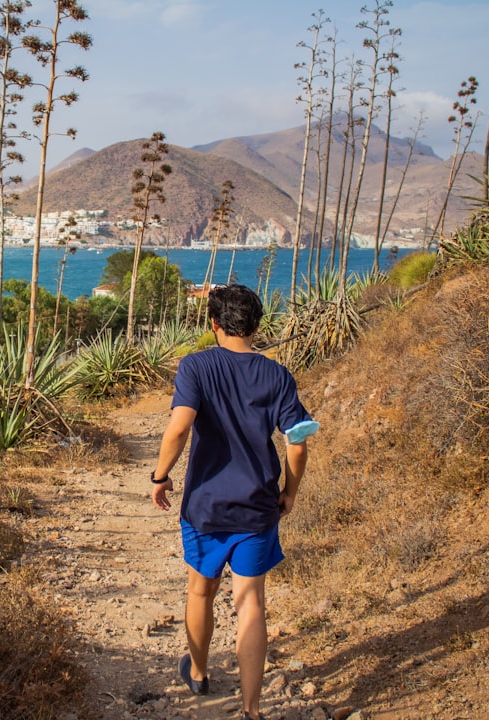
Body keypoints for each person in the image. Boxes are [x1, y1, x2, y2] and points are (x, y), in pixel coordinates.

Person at [151, 284, 317, 720]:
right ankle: (252, 708)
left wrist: (160, 476)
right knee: (251, 603)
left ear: (214, 324)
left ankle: (201, 672)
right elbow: (297, 444)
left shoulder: (196, 366)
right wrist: (290, 492)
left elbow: (179, 428)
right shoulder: (277, 376)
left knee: (200, 591)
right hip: (258, 506)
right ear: (258, 325)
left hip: (205, 507)